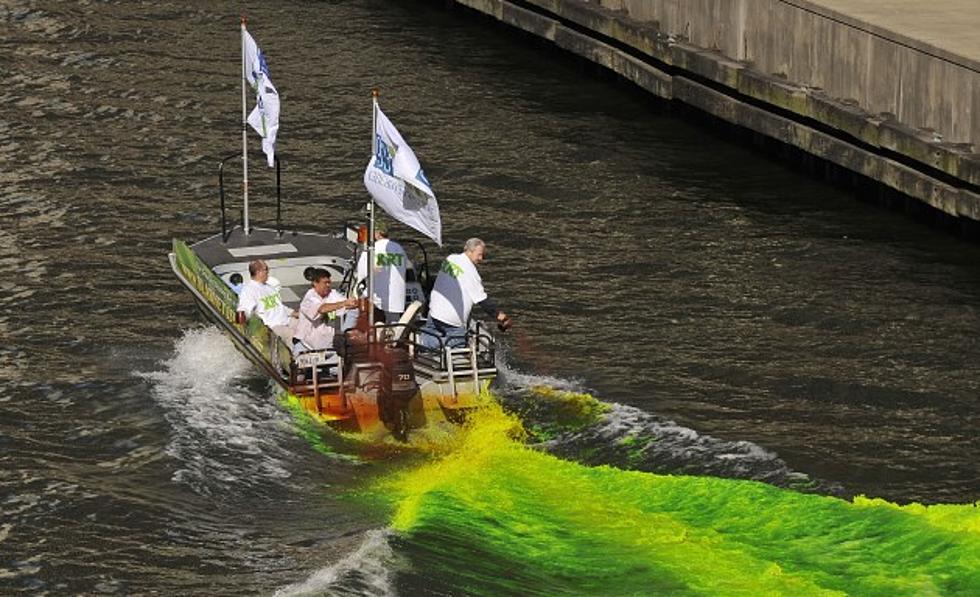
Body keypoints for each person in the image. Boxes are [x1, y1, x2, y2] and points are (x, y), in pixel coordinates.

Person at [422, 238, 512, 349]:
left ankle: (423, 344)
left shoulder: (450, 259)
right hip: (452, 322)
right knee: (458, 343)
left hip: (434, 313)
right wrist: (501, 317)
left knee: (430, 335)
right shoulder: (471, 272)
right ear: (469, 251)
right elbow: (483, 301)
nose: (481, 258)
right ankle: (427, 344)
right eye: (479, 255)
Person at [356, 219, 411, 324]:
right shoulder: (399, 248)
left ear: (377, 233)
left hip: (376, 296)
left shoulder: (372, 249)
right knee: (394, 324)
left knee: (356, 312)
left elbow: (361, 273)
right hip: (396, 295)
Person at [293, 269, 358, 354]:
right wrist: (344, 303)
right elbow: (322, 309)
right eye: (325, 283)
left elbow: (350, 306)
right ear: (315, 283)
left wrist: (352, 302)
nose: (328, 285)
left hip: (328, 348)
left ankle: (346, 336)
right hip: (305, 347)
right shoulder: (309, 298)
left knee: (354, 311)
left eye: (329, 282)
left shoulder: (332, 294)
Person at [236, 259, 297, 341]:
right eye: (266, 269)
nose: (268, 272)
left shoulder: (270, 287)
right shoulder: (249, 290)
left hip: (286, 320)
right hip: (272, 327)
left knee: (307, 327)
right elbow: (245, 308)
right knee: (293, 334)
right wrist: (242, 315)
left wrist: (294, 313)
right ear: (258, 272)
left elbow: (279, 306)